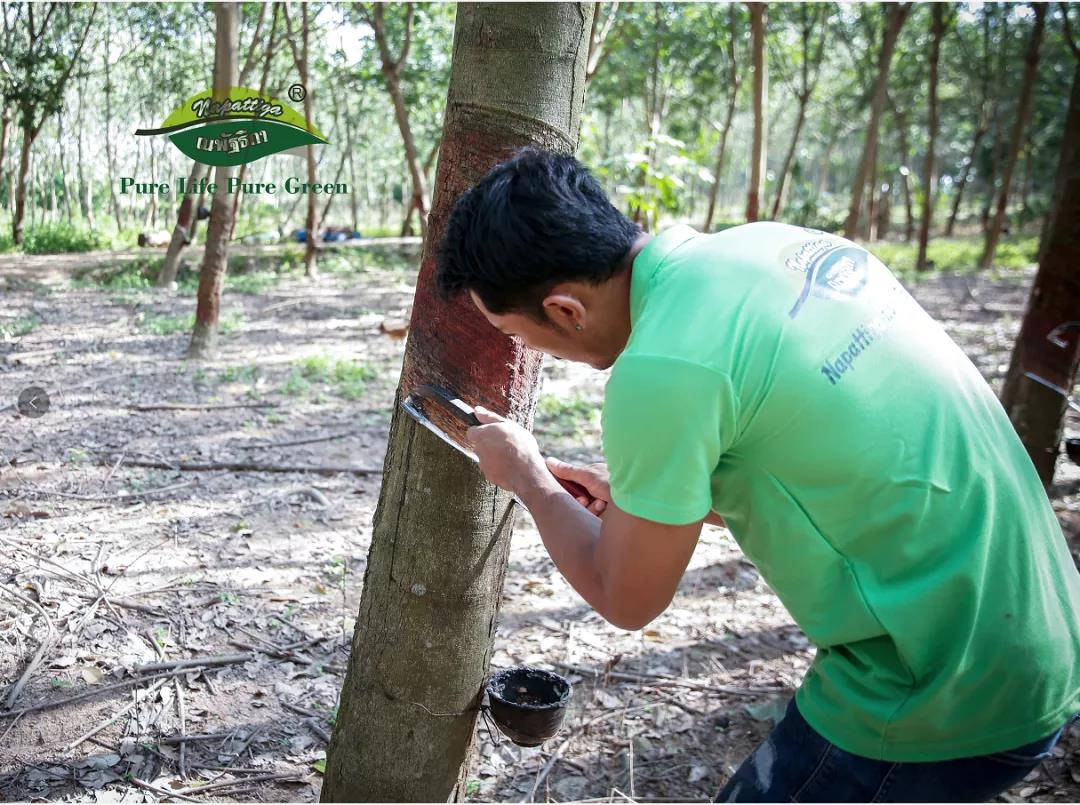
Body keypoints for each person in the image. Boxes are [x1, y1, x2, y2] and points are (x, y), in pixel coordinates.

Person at [435, 147, 1080, 802]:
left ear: (566, 309)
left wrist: (529, 479)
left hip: (941, 684)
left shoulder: (662, 365)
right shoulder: (777, 247)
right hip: (1042, 627)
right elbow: (828, 459)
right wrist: (649, 502)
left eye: (516, 334)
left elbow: (624, 596)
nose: (527, 351)